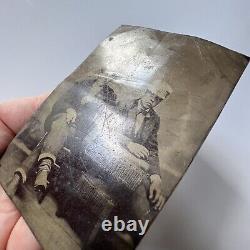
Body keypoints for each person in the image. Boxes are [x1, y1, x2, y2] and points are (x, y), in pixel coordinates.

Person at [0, 95, 46, 250]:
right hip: (56, 135)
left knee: (46, 145)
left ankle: (20, 176)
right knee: (56, 133)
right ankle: (41, 174)